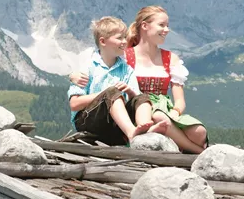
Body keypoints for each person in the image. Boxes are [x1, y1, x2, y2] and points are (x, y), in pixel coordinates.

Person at [70, 6, 207, 154]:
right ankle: (197, 151)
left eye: (167, 25)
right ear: (144, 26)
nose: (167, 30)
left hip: (152, 107)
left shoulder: (168, 59)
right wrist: (72, 75)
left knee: (199, 132)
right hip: (129, 112)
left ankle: (153, 134)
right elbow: (100, 60)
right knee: (158, 115)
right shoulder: (124, 56)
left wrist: (175, 112)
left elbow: (176, 100)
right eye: (162, 25)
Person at [68, 16, 169, 146]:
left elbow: (136, 100)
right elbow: (74, 104)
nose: (124, 42)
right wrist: (105, 94)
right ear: (103, 41)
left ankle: (145, 130)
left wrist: (130, 92)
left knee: (142, 97)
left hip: (115, 125)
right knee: (112, 92)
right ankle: (131, 132)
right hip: (88, 122)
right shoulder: (88, 67)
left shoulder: (126, 69)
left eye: (124, 37)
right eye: (119, 38)